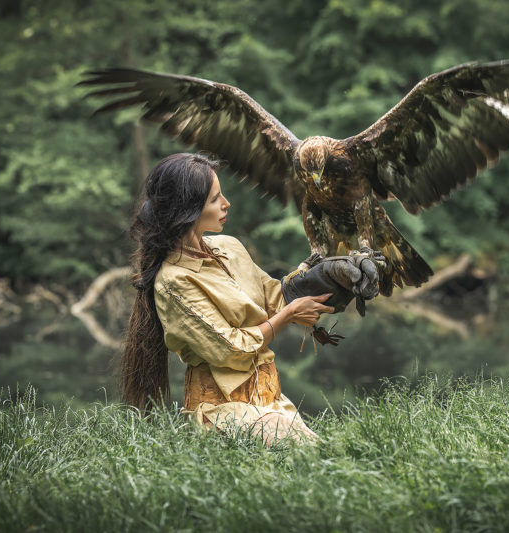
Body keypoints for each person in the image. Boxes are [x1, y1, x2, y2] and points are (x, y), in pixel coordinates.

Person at [121, 152, 369, 445]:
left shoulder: (230, 247)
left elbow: (275, 297)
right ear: (187, 209)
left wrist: (330, 277)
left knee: (328, 457)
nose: (226, 203)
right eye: (215, 199)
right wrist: (288, 316)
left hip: (271, 402)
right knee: (305, 454)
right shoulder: (174, 282)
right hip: (220, 412)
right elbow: (231, 350)